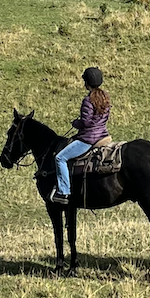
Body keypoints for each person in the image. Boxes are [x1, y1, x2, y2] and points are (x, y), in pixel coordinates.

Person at [51, 67, 111, 204]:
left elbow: (86, 122)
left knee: (60, 158)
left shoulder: (88, 100)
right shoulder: (105, 97)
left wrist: (76, 123)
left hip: (88, 139)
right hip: (102, 135)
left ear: (87, 82)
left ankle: (63, 192)